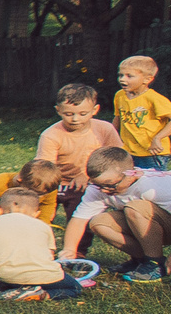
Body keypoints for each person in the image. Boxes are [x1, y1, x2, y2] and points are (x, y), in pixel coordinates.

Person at [59, 146, 170, 281]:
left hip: (164, 223)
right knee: (99, 223)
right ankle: (141, 260)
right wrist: (69, 250)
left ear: (131, 174)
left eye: (110, 185)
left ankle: (155, 262)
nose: (104, 191)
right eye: (99, 186)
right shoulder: (98, 190)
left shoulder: (154, 186)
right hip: (149, 228)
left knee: (135, 208)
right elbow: (79, 220)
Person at [0, 186, 88, 301]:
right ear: (36, 213)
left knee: (12, 275)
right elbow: (50, 255)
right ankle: (42, 295)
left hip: (5, 275)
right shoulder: (44, 226)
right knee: (75, 288)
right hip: (45, 274)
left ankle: (9, 286)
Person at [34, 83, 121, 221]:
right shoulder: (51, 135)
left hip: (89, 182)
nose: (75, 119)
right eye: (68, 114)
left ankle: (80, 241)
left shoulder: (105, 129)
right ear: (58, 110)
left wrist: (88, 176)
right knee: (40, 217)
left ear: (95, 110)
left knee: (82, 219)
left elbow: (117, 158)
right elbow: (45, 168)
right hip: (56, 182)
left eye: (83, 114)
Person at [115, 56, 171, 172]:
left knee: (152, 186)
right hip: (128, 151)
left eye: (129, 76)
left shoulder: (154, 98)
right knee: (129, 184)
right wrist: (112, 138)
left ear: (147, 79)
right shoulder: (119, 95)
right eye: (120, 75)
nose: (122, 79)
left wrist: (158, 138)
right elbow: (118, 118)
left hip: (152, 153)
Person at [0, 158, 63, 223]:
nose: (37, 196)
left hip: (27, 217)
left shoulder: (46, 189)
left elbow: (48, 205)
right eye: (34, 193)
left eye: (40, 195)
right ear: (19, 181)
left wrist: (41, 224)